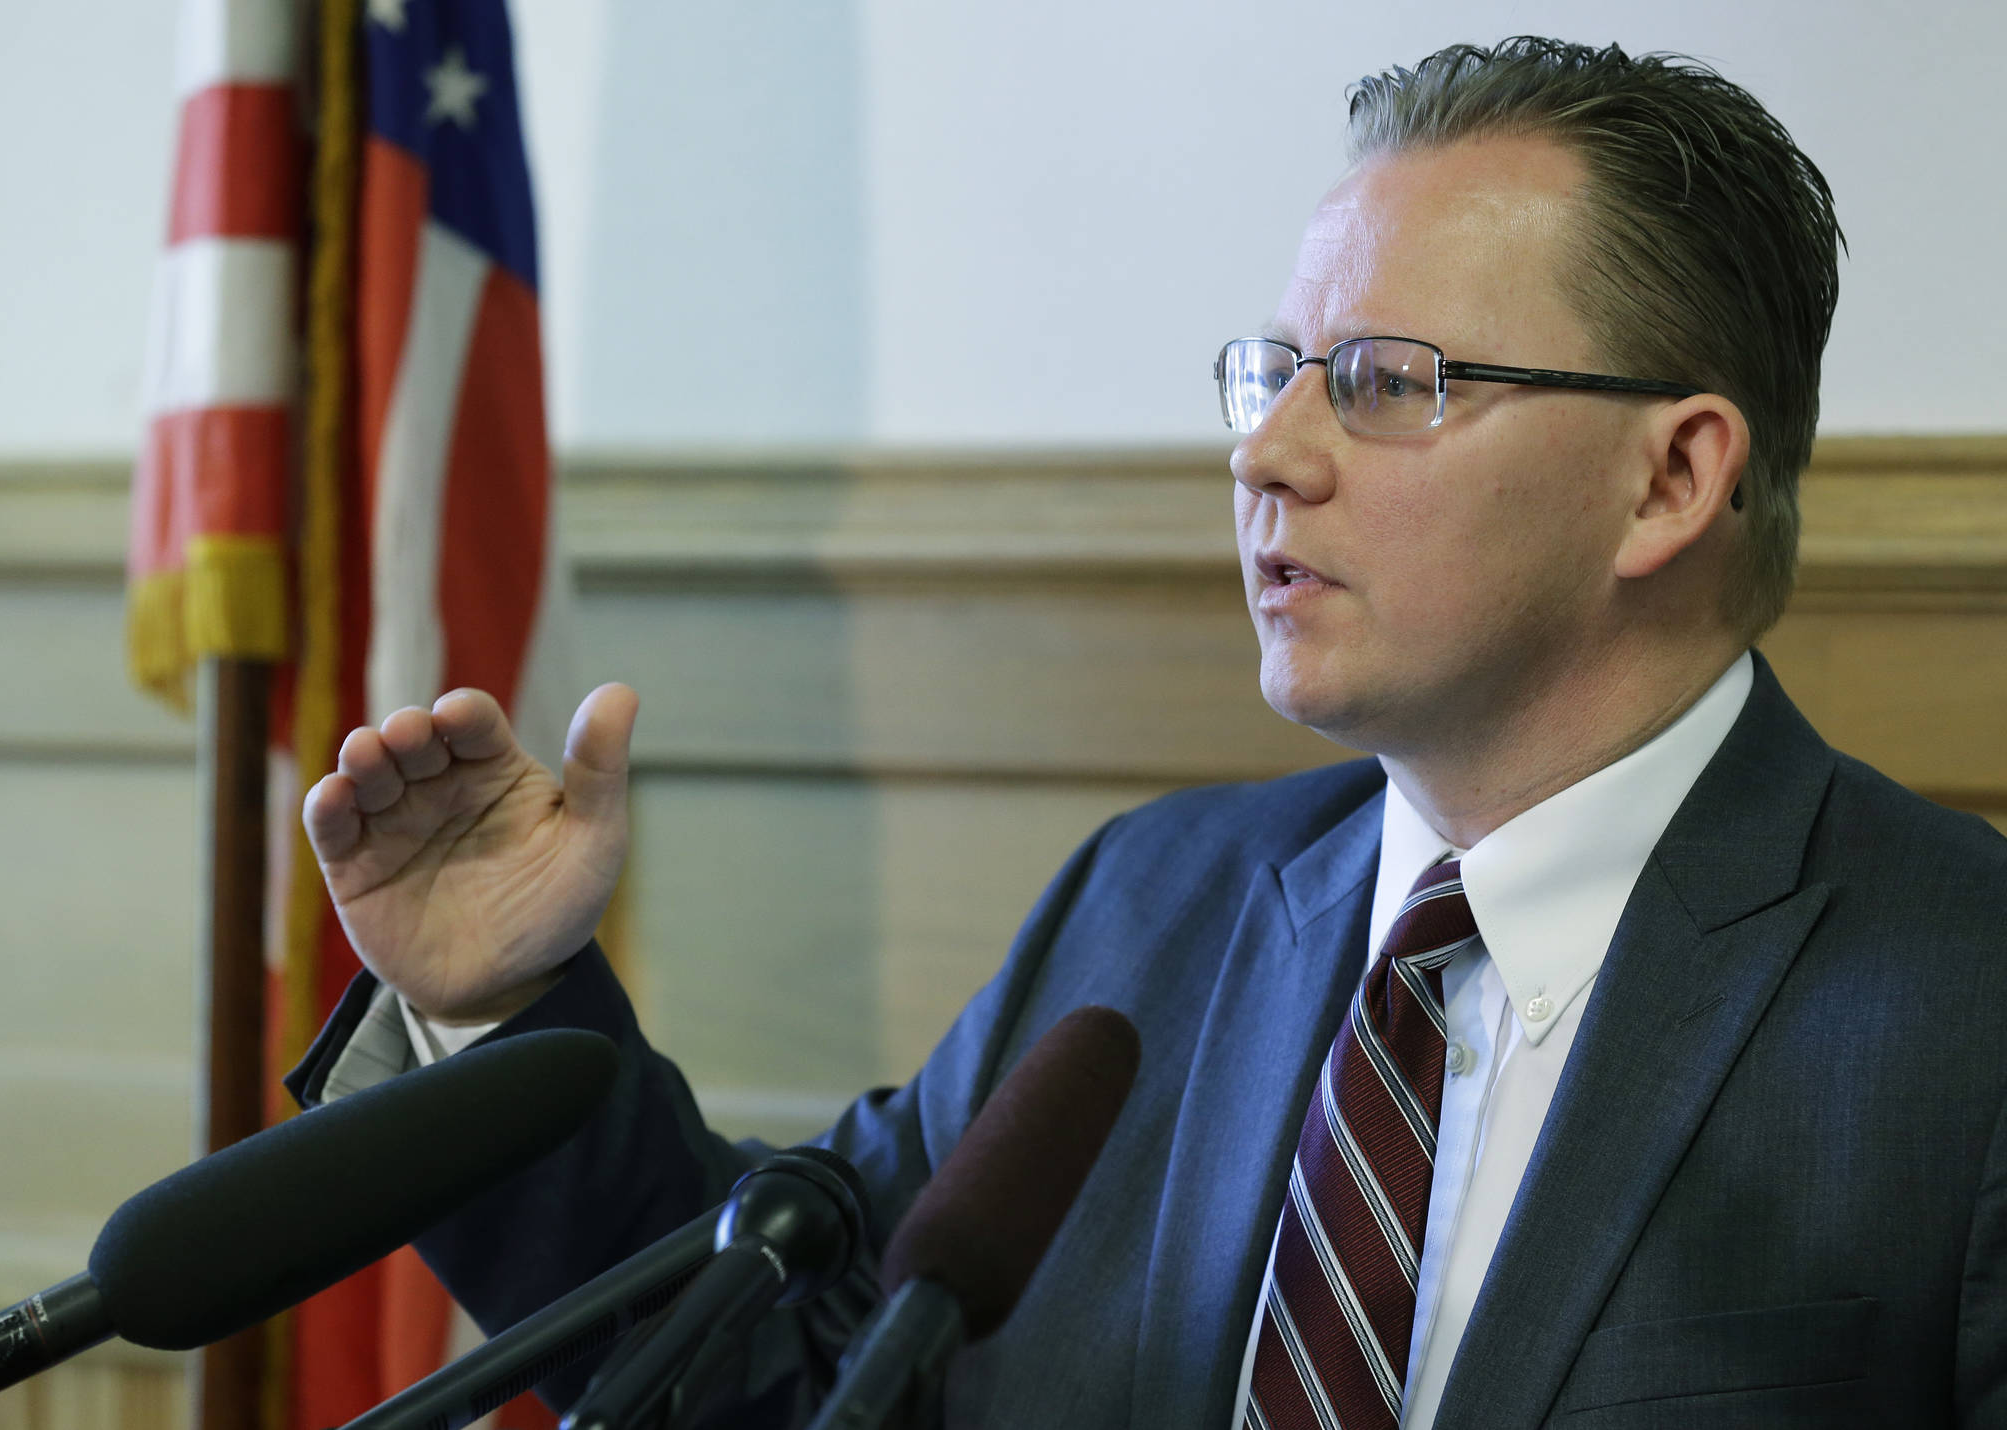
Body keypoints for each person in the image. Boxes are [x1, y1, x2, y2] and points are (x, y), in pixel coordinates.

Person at [290, 37, 2007, 1430]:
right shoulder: (1152, 906)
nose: (1269, 454)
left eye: (1390, 382)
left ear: (1673, 477)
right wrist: (504, 1002)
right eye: (1273, 371)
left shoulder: (1964, 1007)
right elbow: (790, 1357)